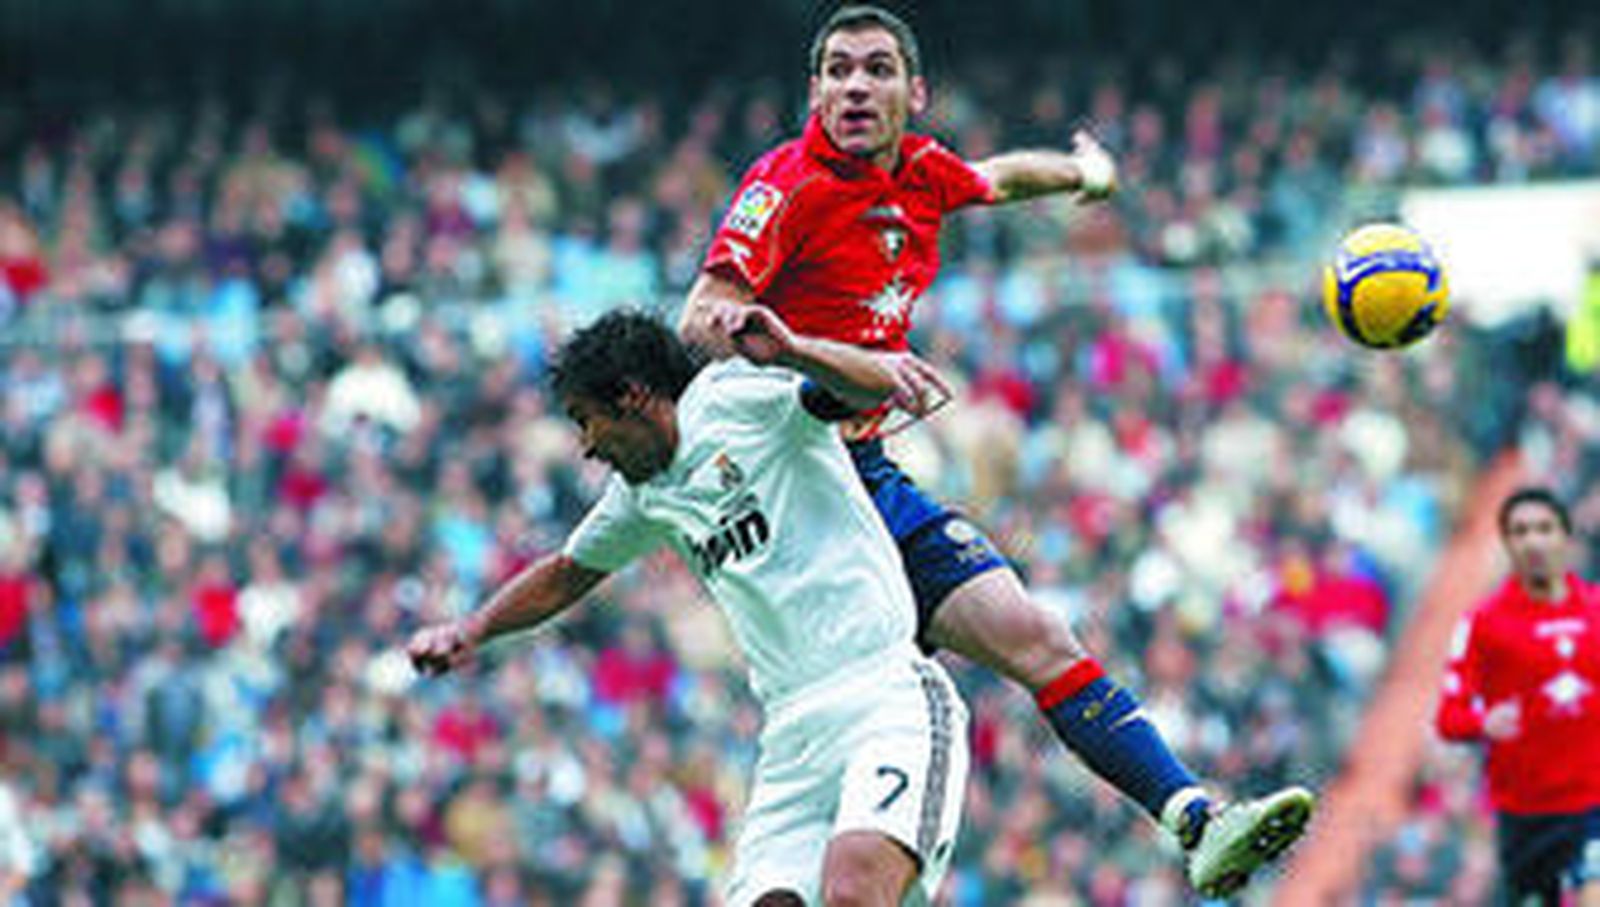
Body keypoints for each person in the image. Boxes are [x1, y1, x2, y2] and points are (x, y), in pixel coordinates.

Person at [678, 4, 1313, 897]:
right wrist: (785, 344)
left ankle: (1196, 820)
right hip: (795, 483)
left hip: (866, 474)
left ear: (915, 92)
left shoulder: (924, 174)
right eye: (836, 70)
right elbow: (698, 317)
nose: (855, 86)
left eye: (877, 68)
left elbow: (997, 178)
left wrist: (1085, 172)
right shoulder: (785, 183)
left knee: (1039, 637)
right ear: (814, 90)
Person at [408, 309, 969, 907]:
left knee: (854, 892)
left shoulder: (737, 399)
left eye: (586, 420)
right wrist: (472, 630)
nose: (588, 446)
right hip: (792, 735)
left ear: (632, 397)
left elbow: (869, 390)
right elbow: (566, 573)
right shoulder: (642, 496)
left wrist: (794, 349)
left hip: (885, 694)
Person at [1435, 487, 1600, 906]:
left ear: (1565, 537)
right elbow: (1448, 718)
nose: (1533, 541)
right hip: (1525, 815)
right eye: (1520, 531)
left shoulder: (1596, 611)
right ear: (1508, 543)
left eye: (1544, 529)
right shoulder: (1484, 624)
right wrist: (1482, 722)